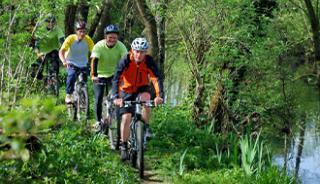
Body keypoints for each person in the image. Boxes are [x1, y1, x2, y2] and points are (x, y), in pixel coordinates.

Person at [112, 38, 164, 160]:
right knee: (126, 117)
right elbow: (116, 79)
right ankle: (124, 145)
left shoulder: (149, 61)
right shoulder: (125, 60)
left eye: (142, 52)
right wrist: (116, 97)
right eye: (137, 51)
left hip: (142, 87)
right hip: (126, 90)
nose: (139, 55)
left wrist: (159, 96)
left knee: (146, 100)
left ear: (146, 52)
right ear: (132, 50)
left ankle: (145, 128)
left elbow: (156, 78)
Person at [90, 24, 127, 132]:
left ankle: (115, 118)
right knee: (98, 98)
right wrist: (93, 75)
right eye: (110, 37)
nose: (112, 39)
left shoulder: (121, 46)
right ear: (105, 37)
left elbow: (126, 61)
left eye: (114, 37)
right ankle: (97, 122)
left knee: (118, 96)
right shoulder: (99, 46)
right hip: (100, 74)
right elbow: (94, 61)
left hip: (114, 75)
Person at [59, 21, 94, 103]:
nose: (82, 33)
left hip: (83, 64)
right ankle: (68, 95)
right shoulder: (70, 38)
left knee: (84, 82)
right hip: (71, 62)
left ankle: (82, 99)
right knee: (71, 76)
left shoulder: (88, 40)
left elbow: (94, 52)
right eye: (80, 31)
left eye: (84, 31)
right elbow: (61, 51)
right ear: (76, 31)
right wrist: (64, 61)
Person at [33, 14, 64, 80]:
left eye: (52, 22)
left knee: (54, 64)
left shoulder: (58, 30)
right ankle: (43, 79)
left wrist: (64, 52)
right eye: (48, 21)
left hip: (53, 51)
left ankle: (54, 78)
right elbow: (36, 45)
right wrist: (38, 54)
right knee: (35, 72)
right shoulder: (40, 31)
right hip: (42, 53)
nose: (51, 23)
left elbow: (62, 42)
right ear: (45, 22)